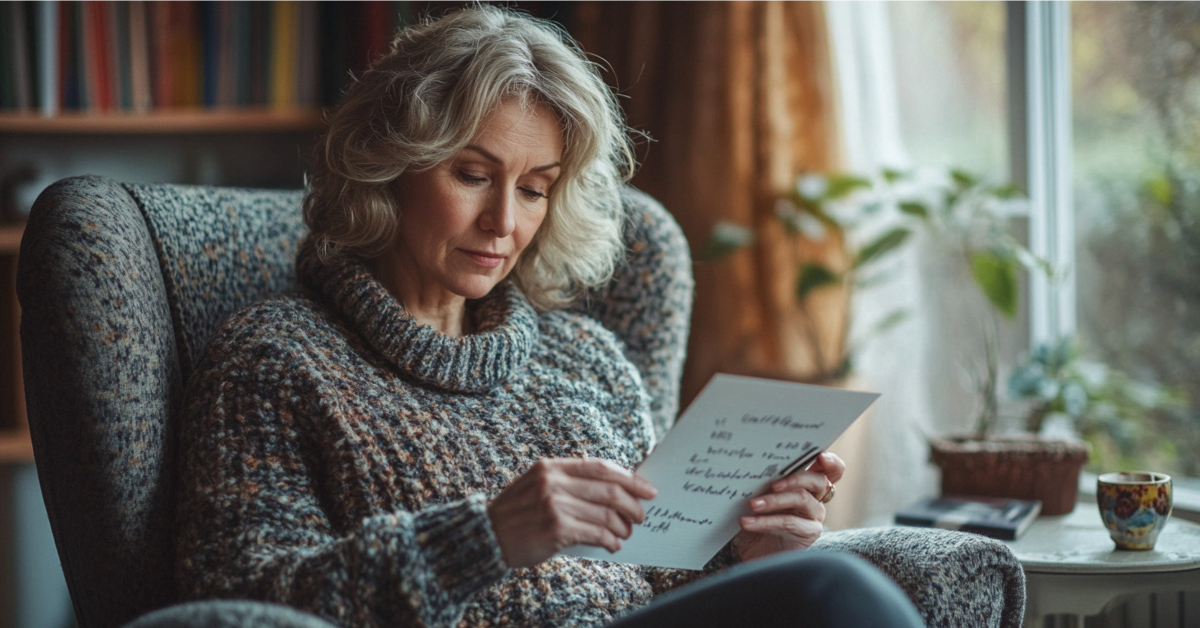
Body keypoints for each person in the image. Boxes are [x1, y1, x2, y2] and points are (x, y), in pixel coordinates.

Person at [174, 6, 925, 628]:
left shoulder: (587, 359)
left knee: (831, 582)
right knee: (840, 599)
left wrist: (748, 550)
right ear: (391, 164)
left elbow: (658, 580)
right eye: (472, 175)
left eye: (535, 189)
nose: (503, 220)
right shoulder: (275, 358)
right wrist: (485, 538)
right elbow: (246, 602)